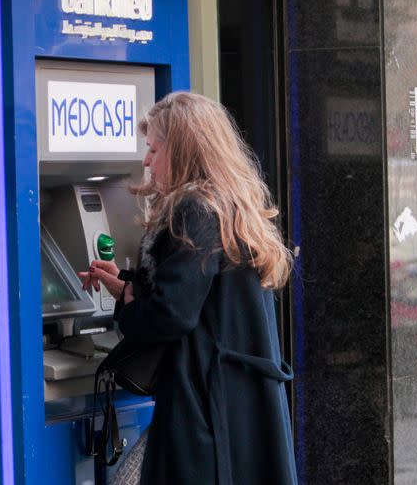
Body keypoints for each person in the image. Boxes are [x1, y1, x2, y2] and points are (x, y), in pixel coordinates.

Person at [80, 92, 297, 485]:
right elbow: (200, 297)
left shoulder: (194, 210)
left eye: (154, 149)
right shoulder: (230, 206)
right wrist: (126, 288)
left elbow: (172, 314)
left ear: (181, 150)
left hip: (205, 410)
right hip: (237, 407)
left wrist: (130, 307)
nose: (146, 161)